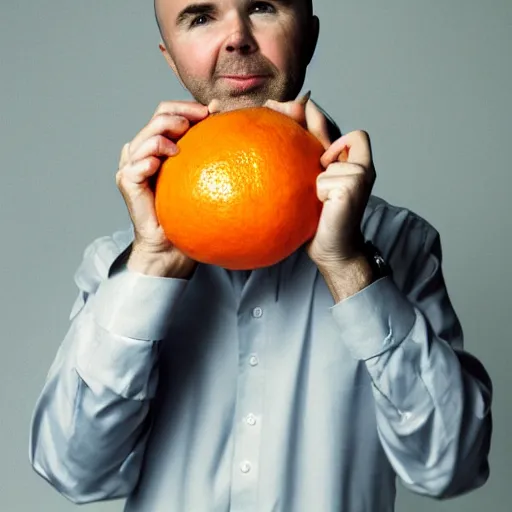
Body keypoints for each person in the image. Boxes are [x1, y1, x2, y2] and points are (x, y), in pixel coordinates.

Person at [29, 1, 493, 511]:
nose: (237, 38)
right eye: (200, 16)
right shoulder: (120, 263)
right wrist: (154, 263)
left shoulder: (397, 244)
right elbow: (74, 474)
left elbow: (450, 469)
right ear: (171, 56)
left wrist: (350, 268)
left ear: (309, 36)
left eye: (263, 7)